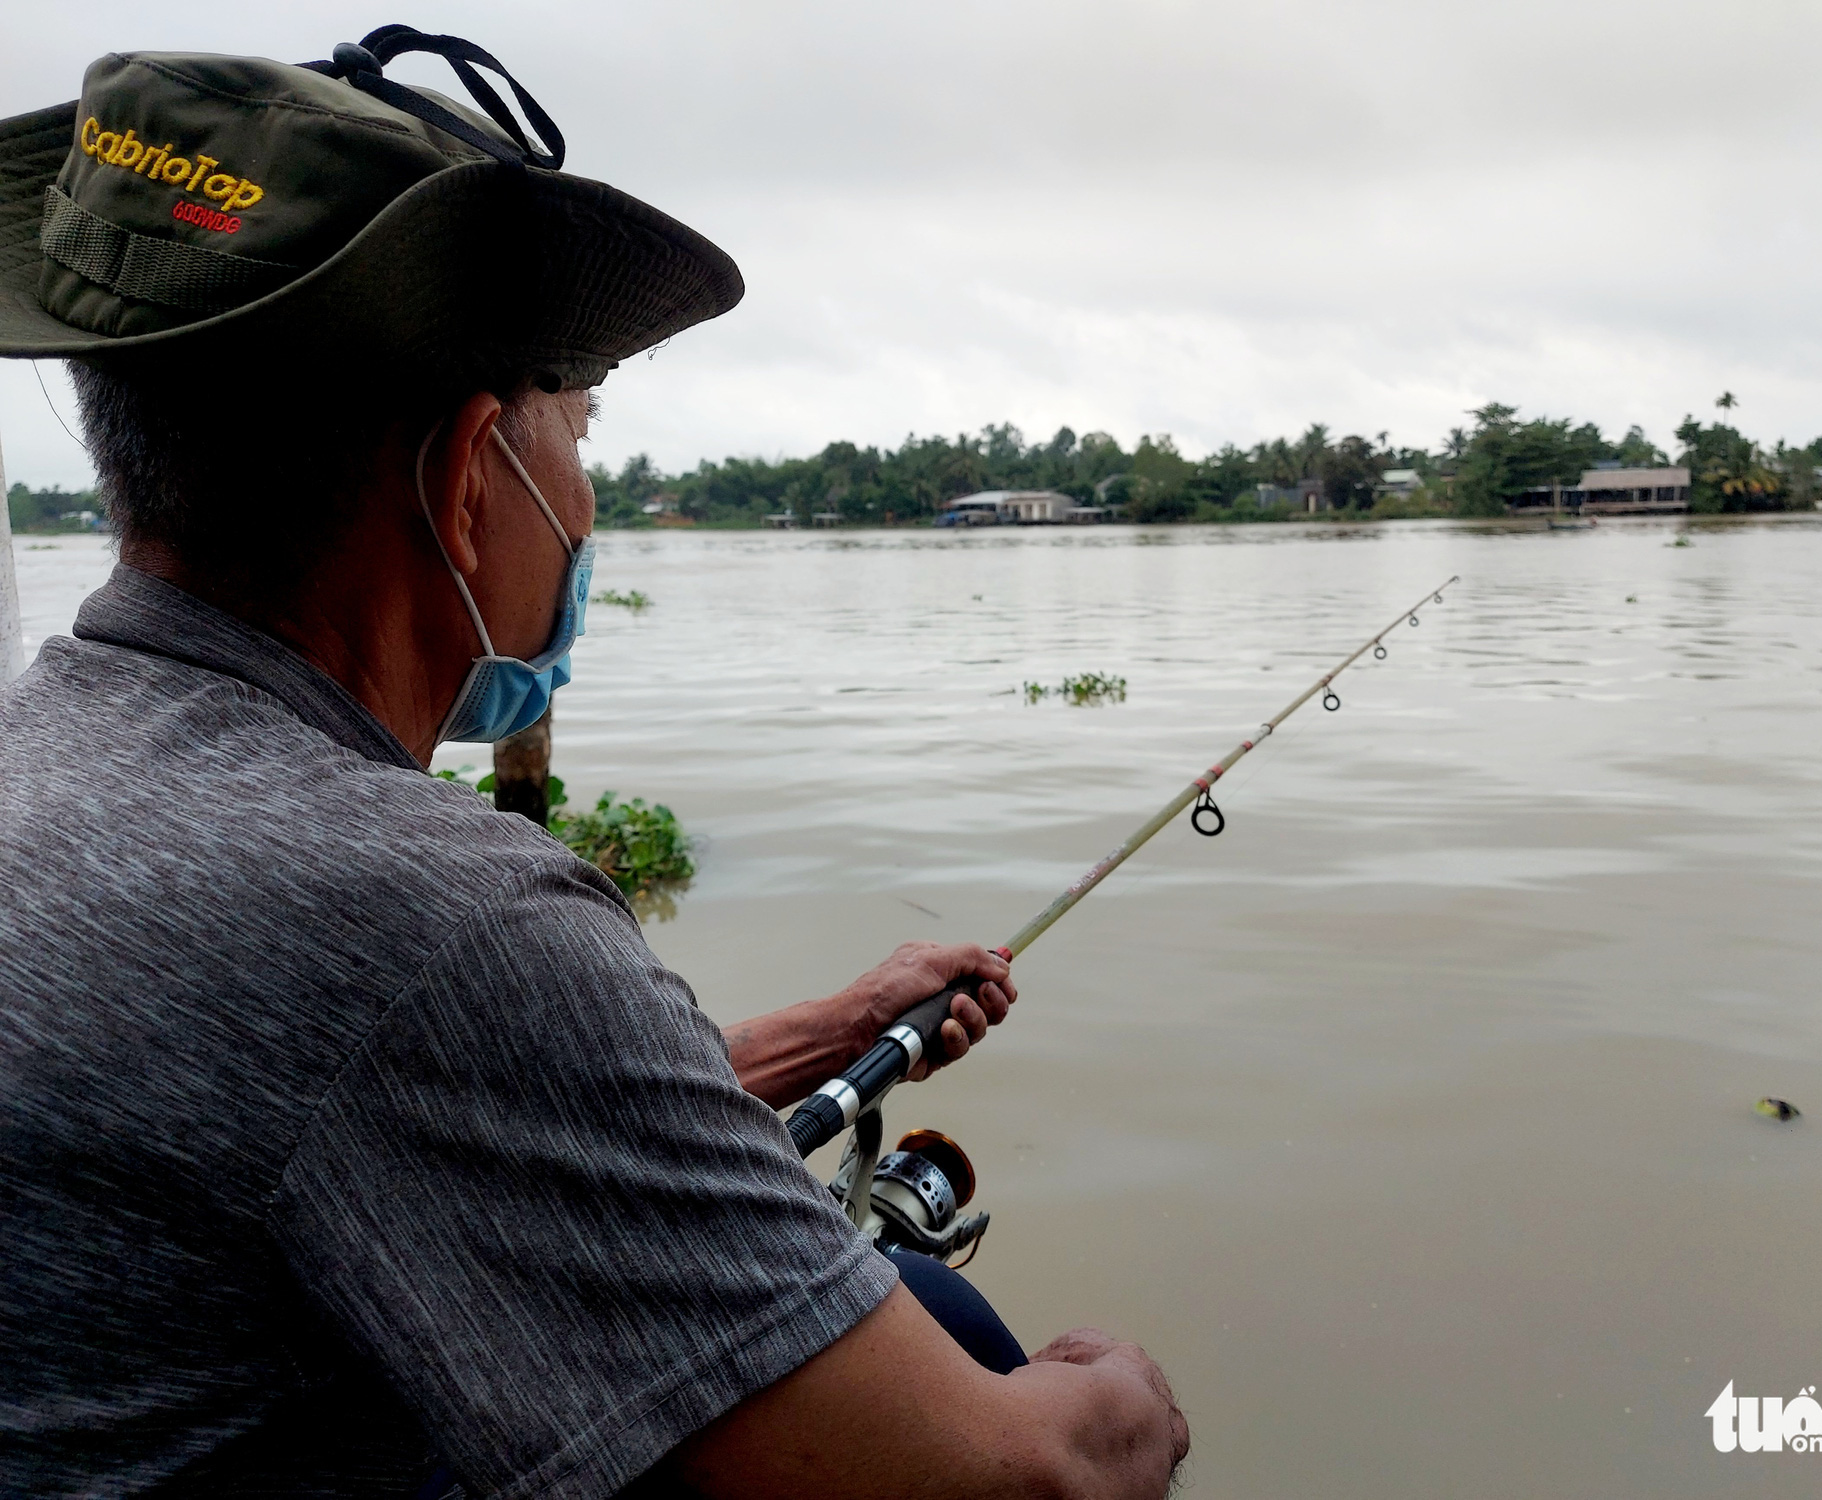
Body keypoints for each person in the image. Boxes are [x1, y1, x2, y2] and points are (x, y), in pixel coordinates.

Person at [0, 28, 1188, 1500]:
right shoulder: (414, 918)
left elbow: (395, 1113)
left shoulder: (48, 759)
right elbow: (1022, 1484)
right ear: (467, 472)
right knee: (964, 1342)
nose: (586, 492)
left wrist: (833, 1028)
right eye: (580, 430)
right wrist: (1113, 1398)